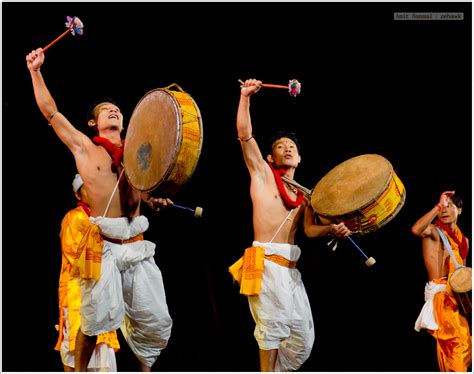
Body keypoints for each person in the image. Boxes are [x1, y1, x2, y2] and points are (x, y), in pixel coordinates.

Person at [26, 47, 173, 372]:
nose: (114, 112)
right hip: (104, 246)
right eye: (107, 110)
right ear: (93, 122)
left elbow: (145, 193)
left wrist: (155, 200)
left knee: (155, 323)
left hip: (136, 245)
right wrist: (36, 71)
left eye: (118, 110)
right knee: (95, 321)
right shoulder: (84, 148)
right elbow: (51, 113)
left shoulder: (139, 154)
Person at [229, 78, 351, 372]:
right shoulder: (262, 174)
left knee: (302, 342)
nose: (287, 148)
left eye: (292, 145)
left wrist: (333, 230)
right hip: (266, 265)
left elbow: (309, 231)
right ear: (270, 157)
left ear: (299, 156)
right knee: (271, 330)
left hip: (291, 273)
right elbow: (245, 135)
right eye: (280, 146)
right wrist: (246, 97)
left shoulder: (307, 196)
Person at [56, 174, 119, 372]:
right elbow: (75, 255)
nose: (92, 191)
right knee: (77, 350)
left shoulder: (103, 218)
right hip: (78, 293)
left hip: (101, 291)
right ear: (77, 194)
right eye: (86, 187)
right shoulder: (73, 218)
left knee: (103, 349)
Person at [412, 190, 471, 372]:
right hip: (441, 296)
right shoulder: (434, 232)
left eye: (449, 206)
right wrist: (437, 205)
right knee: (459, 341)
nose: (444, 211)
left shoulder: (464, 240)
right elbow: (416, 229)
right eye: (441, 208)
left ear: (459, 209)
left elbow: (463, 276)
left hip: (456, 296)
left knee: (457, 347)